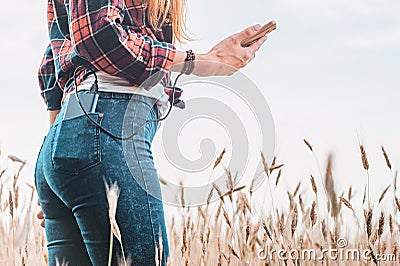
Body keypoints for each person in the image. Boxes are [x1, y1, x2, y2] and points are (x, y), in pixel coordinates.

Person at [34, 0, 267, 265]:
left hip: (69, 141)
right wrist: (201, 62)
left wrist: (60, 160)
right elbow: (99, 33)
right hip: (106, 132)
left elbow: (53, 64)